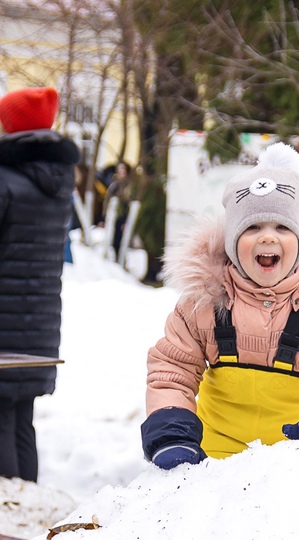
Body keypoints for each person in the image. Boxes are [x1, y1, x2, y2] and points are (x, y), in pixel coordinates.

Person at [141, 142, 299, 467]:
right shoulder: (204, 303)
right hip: (214, 459)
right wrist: (171, 430)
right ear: (232, 242)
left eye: (282, 227)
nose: (268, 238)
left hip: (298, 457)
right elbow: (173, 370)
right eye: (252, 227)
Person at [0, 87, 80, 481]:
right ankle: (25, 507)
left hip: (4, 322)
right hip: (40, 328)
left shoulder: (5, 180)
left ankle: (7, 518)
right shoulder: (58, 182)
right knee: (21, 423)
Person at [102, 161, 133, 260]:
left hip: (122, 217)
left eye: (123, 169)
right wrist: (103, 216)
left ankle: (120, 259)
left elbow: (128, 204)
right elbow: (107, 200)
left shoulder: (128, 186)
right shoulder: (114, 184)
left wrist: (126, 221)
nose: (121, 171)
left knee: (120, 241)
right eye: (119, 169)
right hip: (112, 215)